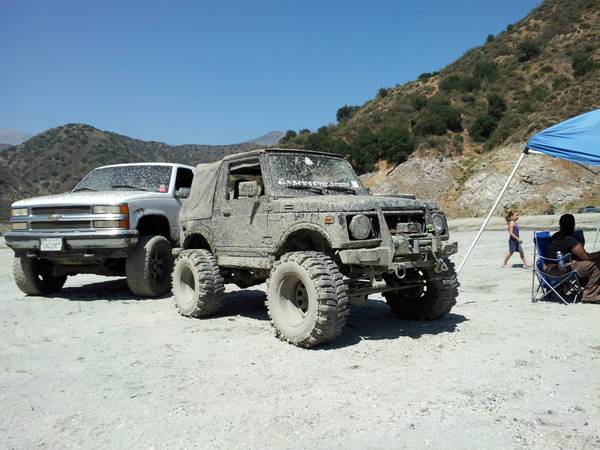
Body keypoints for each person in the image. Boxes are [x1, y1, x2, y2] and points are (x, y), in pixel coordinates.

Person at [545, 213, 600, 304]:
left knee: (589, 264)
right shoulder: (570, 239)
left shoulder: (555, 236)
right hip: (562, 270)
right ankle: (590, 295)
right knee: (595, 265)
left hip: (548, 270)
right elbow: (585, 256)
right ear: (573, 225)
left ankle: (589, 287)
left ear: (560, 224)